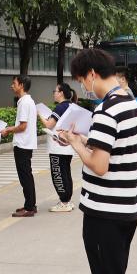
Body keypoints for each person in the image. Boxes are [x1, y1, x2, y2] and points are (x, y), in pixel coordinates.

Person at [61, 48, 137, 274]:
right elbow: (111, 149)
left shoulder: (107, 110)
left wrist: (75, 144)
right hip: (126, 208)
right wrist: (84, 140)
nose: (84, 87)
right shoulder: (129, 102)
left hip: (105, 211)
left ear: (93, 74)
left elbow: (99, 165)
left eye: (83, 80)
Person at [2, 75, 38, 217]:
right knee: (27, 175)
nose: (12, 86)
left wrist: (8, 130)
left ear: (21, 85)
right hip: (26, 143)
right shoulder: (29, 101)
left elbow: (23, 126)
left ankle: (29, 208)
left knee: (25, 177)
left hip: (23, 144)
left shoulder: (24, 102)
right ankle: (31, 204)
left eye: (14, 83)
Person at [40, 82, 78, 212]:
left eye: (55, 91)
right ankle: (67, 201)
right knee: (66, 173)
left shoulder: (60, 107)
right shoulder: (71, 106)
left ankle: (64, 202)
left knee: (58, 174)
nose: (54, 94)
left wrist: (39, 114)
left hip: (57, 147)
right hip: (68, 146)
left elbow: (49, 125)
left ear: (61, 93)